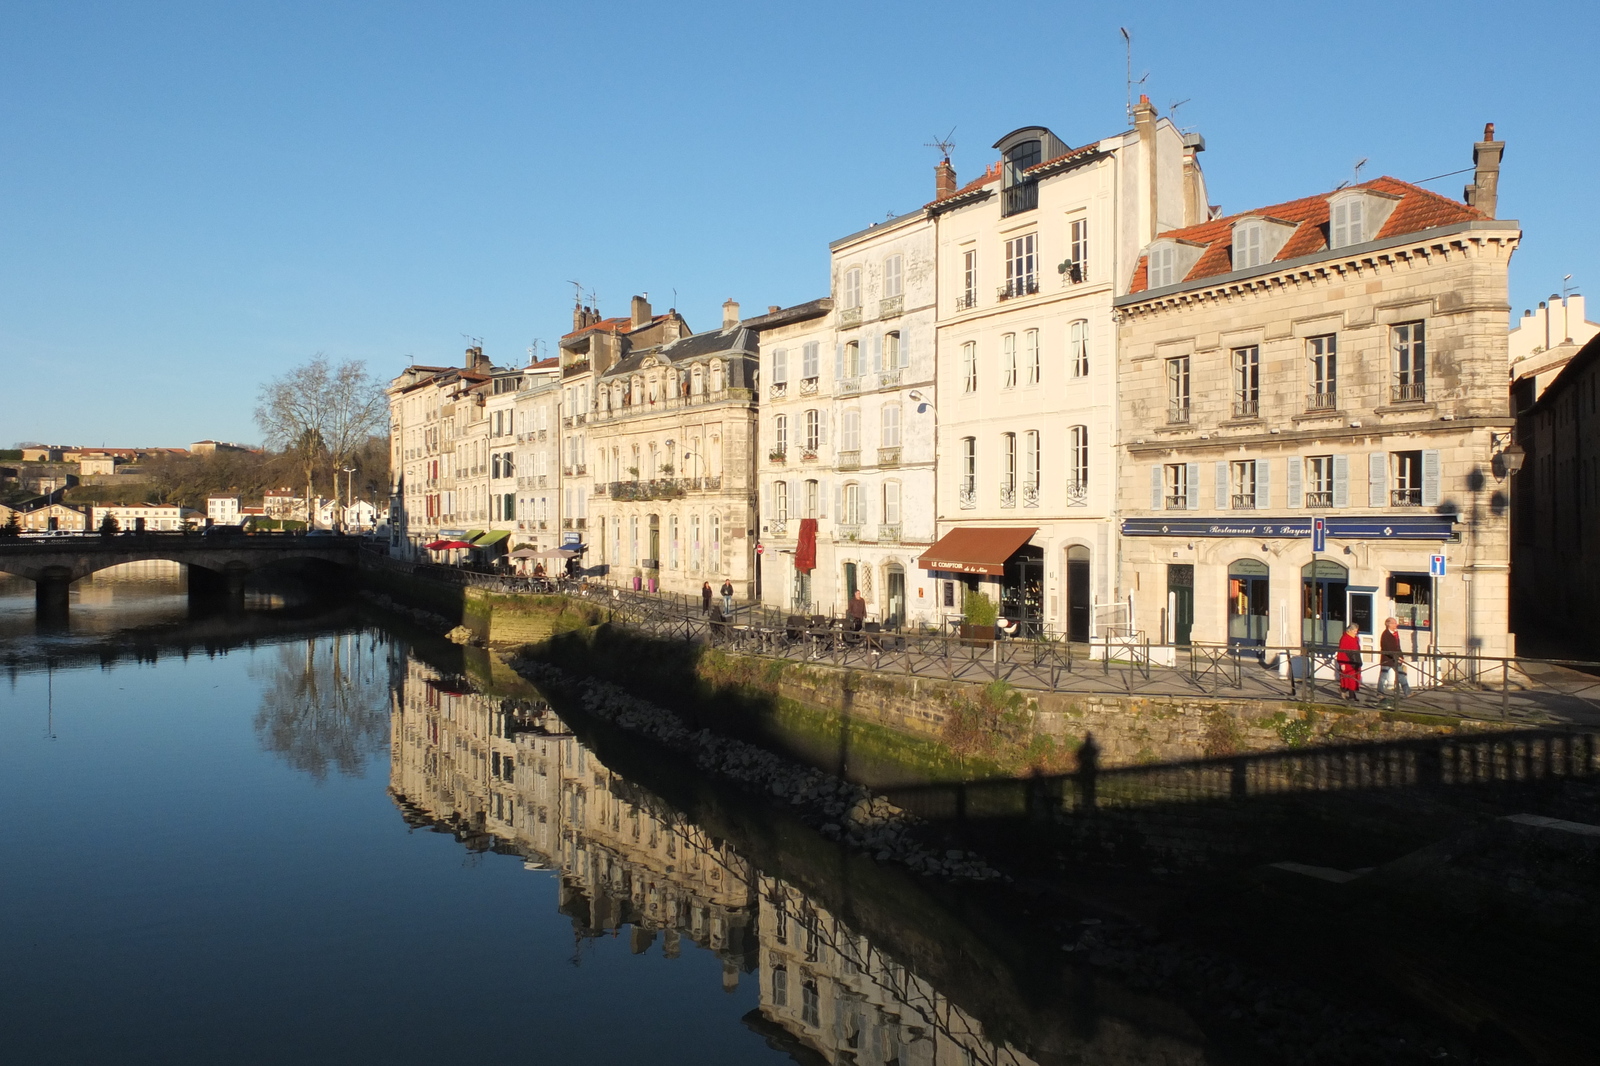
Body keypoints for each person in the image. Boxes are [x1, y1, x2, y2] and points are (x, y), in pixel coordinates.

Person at [1377, 616, 1412, 700]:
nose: (1396, 624)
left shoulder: (1396, 634)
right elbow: (1386, 648)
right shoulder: (1385, 634)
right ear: (1389, 624)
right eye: (1394, 623)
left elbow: (1398, 647)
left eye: (1396, 623)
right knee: (1383, 677)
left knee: (1401, 676)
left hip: (1396, 659)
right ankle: (1379, 693)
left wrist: (1401, 656)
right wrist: (1395, 657)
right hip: (1387, 660)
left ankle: (1407, 692)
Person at [1336, 623, 1364, 702]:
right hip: (1347, 661)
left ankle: (1345, 690)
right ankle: (1351, 696)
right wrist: (1342, 664)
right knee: (1350, 679)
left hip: (1355, 659)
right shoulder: (1345, 638)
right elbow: (1341, 652)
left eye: (1356, 631)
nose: (1356, 632)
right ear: (1350, 630)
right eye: (1354, 631)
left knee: (1355, 678)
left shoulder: (1356, 638)